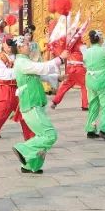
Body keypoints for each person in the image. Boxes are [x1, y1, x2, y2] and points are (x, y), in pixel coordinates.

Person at [11, 38, 63, 174]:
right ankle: (22, 149)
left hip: (35, 102)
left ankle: (31, 165)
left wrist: (56, 78)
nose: (29, 46)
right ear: (20, 48)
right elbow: (41, 68)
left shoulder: (25, 62)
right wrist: (60, 59)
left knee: (41, 135)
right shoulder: (21, 62)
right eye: (27, 45)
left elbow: (38, 75)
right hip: (31, 103)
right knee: (50, 135)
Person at [50, 42, 89, 110]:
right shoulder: (81, 45)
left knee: (65, 85)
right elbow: (86, 56)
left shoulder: (68, 44)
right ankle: (85, 105)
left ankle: (55, 102)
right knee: (84, 86)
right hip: (79, 67)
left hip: (70, 67)